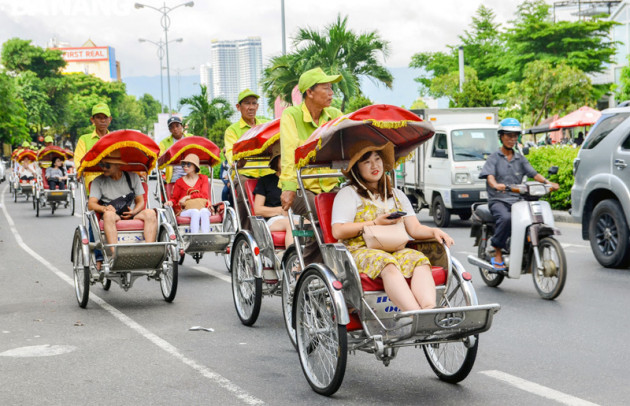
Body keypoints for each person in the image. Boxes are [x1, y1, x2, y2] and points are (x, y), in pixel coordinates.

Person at [331, 141, 454, 311]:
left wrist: (435, 231)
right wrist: (374, 223)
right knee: (387, 263)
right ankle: (414, 314)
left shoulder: (397, 195)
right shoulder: (348, 194)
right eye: (366, 162)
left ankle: (428, 310)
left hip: (395, 248)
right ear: (356, 168)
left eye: (377, 159)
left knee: (419, 259)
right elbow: (338, 230)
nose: (374, 165)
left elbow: (415, 229)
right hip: (358, 251)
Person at [280, 67, 344, 264]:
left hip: (330, 185)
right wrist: (289, 188)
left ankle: (335, 265)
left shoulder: (334, 114)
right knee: (324, 216)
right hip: (301, 187)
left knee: (350, 216)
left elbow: (346, 145)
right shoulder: (291, 115)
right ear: (309, 92)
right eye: (326, 88)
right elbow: (290, 152)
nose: (331, 93)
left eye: (331, 88)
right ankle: (306, 269)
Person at [479, 118, 559, 272]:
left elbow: (534, 174)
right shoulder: (493, 158)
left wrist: (548, 183)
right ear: (501, 136)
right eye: (509, 135)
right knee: (506, 218)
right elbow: (489, 176)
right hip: (498, 200)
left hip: (517, 200)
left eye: (515, 136)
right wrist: (495, 185)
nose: (512, 139)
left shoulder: (520, 158)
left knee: (531, 219)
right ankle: (497, 251)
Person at [87, 150, 157, 258]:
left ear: (118, 165)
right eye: (102, 165)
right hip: (113, 214)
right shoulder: (98, 181)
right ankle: (115, 254)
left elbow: (140, 201)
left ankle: (149, 253)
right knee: (108, 215)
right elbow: (91, 204)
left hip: (132, 213)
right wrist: (104, 208)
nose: (103, 168)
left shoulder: (133, 177)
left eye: (107, 165)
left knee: (151, 213)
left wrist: (134, 211)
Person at [224, 89, 272, 229]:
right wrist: (238, 160)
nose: (251, 107)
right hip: (245, 174)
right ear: (238, 107)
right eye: (247, 103)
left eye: (254, 103)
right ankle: (246, 231)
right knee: (244, 191)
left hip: (268, 173)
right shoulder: (232, 130)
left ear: (257, 106)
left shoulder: (265, 125)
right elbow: (231, 154)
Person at [253, 146, 302, 248]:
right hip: (273, 220)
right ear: (276, 161)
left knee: (310, 226)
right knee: (292, 225)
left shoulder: (297, 180)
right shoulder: (265, 181)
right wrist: (280, 210)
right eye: (283, 158)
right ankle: (293, 259)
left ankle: (307, 254)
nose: (287, 161)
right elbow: (257, 209)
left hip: (294, 217)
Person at [164, 153, 212, 233]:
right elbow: (175, 199)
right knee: (195, 212)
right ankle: (194, 238)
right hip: (186, 210)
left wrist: (188, 197)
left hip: (203, 206)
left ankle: (205, 237)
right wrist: (170, 202)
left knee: (203, 211)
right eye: (183, 164)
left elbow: (204, 195)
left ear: (195, 166)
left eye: (188, 164)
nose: (185, 166)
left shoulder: (203, 178)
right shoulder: (179, 182)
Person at [74, 103, 112, 188]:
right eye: (98, 117)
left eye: (105, 117)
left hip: (113, 181)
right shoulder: (84, 139)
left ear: (110, 119)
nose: (102, 120)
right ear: (92, 120)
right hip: (92, 182)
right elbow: (78, 160)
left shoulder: (115, 139)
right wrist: (80, 171)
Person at [159, 116, 189, 183]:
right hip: (175, 174)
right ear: (169, 130)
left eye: (177, 126)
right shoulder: (164, 143)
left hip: (191, 172)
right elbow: (160, 158)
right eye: (172, 127)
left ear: (181, 126)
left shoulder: (191, 138)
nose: (175, 129)